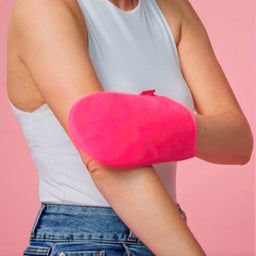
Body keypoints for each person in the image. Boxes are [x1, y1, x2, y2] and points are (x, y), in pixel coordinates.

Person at [6, 0, 253, 255]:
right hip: (84, 240)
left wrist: (144, 125)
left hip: (166, 233)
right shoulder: (44, 7)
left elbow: (238, 140)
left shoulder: (173, 8)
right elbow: (103, 162)